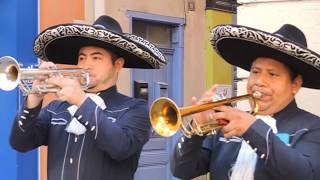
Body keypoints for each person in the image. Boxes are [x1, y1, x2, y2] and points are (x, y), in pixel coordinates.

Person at [10, 15, 167, 180]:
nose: (86, 64)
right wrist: (33, 99)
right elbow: (19, 142)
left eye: (96, 57)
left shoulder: (135, 109)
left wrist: (81, 101)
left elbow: (120, 148)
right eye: (82, 57)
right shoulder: (56, 109)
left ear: (118, 65)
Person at [171, 24, 320, 180]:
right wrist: (196, 129)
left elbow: (307, 174)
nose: (259, 81)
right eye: (255, 72)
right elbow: (181, 170)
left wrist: (253, 129)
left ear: (295, 84)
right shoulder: (226, 123)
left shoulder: (312, 128)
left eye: (272, 74)